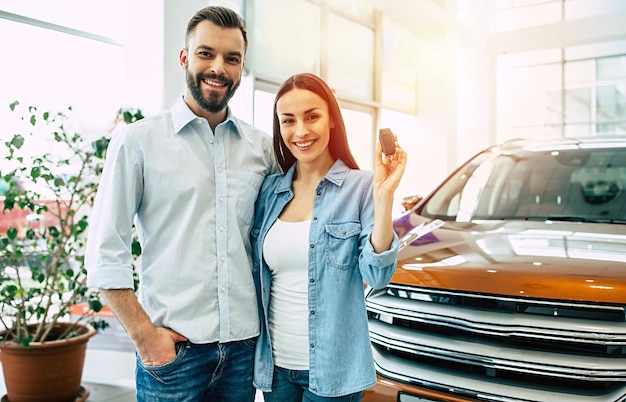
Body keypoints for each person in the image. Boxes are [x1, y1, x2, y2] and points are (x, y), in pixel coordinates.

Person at [85, 6, 276, 402]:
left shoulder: (262, 149)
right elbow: (105, 253)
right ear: (184, 57)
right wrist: (145, 336)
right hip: (173, 356)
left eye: (232, 58)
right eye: (206, 53)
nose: (218, 68)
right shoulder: (137, 142)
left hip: (242, 350)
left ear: (241, 67)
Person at [251, 72, 407, 402]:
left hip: (334, 372)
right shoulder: (269, 191)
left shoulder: (361, 187)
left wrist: (384, 197)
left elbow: (377, 276)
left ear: (331, 120)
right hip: (276, 369)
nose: (301, 131)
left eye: (312, 116)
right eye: (288, 120)